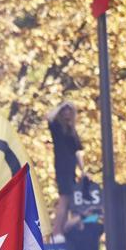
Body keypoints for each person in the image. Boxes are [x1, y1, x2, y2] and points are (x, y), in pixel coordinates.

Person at [47, 101, 85, 238]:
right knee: (64, 199)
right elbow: (49, 116)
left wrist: (83, 170)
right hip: (62, 168)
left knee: (70, 201)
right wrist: (60, 106)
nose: (67, 113)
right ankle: (57, 232)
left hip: (71, 170)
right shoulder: (56, 127)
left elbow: (78, 152)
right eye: (64, 110)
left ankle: (64, 231)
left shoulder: (72, 131)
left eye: (70, 110)